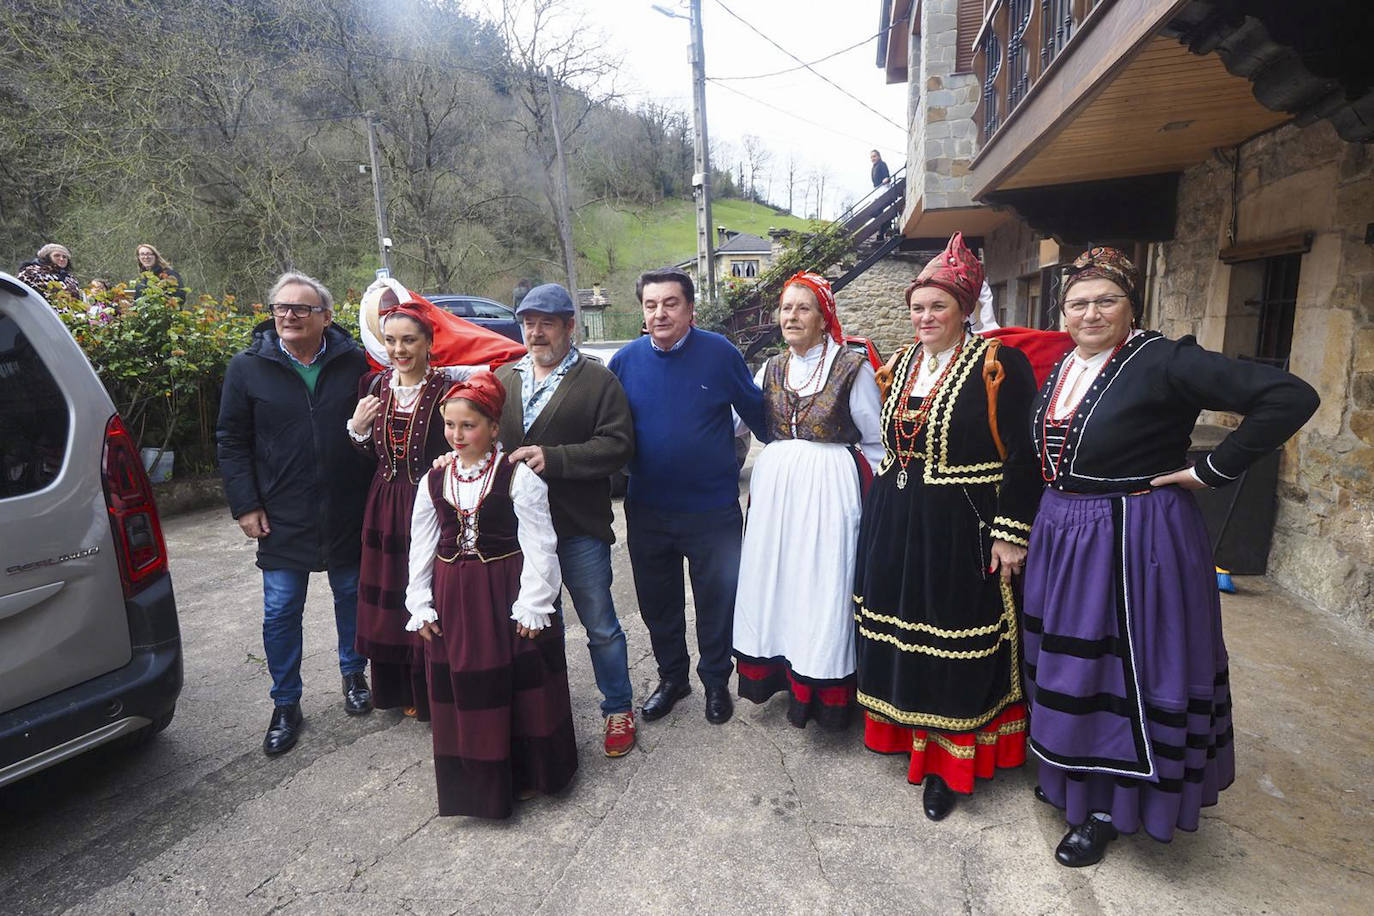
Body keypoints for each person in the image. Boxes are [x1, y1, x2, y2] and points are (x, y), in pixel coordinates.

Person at [1022, 246, 1319, 866]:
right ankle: (1073, 777)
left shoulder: (1164, 359)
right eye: (1078, 302)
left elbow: (1289, 396)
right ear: (1063, 312)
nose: (1090, 312)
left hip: (1134, 537)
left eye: (1107, 300)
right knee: (1071, 664)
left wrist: (1212, 469)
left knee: (1124, 669)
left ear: (1133, 307)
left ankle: (1112, 807)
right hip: (1065, 534)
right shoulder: (1062, 367)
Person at [854, 232, 1041, 821]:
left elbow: (1023, 453)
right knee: (902, 627)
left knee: (955, 636)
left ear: (964, 309)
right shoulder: (904, 362)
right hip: (897, 518)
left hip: (961, 524)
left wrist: (1010, 530)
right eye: (918, 307)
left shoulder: (996, 363)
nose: (926, 316)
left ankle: (949, 763)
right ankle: (910, 735)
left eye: (938, 306)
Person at [217, 271, 375, 757]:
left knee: (352, 595)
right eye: (281, 307)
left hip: (348, 506)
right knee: (281, 610)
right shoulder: (247, 368)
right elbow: (231, 441)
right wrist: (245, 504)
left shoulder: (354, 363)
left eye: (301, 309)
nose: (288, 315)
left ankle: (355, 676)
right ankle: (286, 703)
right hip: (283, 513)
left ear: (325, 316)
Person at [405, 373, 577, 818]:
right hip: (452, 597)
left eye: (468, 426)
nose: (457, 436)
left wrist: (535, 603)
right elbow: (421, 545)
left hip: (503, 591)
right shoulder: (434, 478)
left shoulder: (517, 477)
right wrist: (419, 602)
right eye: (449, 426)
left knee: (516, 682)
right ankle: (476, 782)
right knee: (466, 684)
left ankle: (523, 775)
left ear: (494, 427)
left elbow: (541, 544)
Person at [609, 267, 767, 726]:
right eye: (651, 305)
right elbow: (609, 432)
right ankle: (672, 678)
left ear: (690, 308)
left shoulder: (721, 354)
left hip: (712, 510)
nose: (660, 313)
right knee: (658, 602)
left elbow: (760, 418)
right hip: (648, 509)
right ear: (642, 311)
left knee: (716, 600)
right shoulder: (625, 361)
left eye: (670, 303)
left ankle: (716, 681)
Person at [731, 271, 882, 729]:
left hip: (830, 490)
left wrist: (876, 501)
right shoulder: (770, 368)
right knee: (778, 581)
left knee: (823, 584)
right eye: (786, 308)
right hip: (776, 495)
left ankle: (824, 689)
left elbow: (876, 442)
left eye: (803, 308)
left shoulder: (852, 367)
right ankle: (780, 671)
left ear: (824, 318)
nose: (791, 316)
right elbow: (733, 425)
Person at [493, 283, 638, 757]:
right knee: (529, 623)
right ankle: (540, 712)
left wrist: (552, 458)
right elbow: (481, 437)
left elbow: (618, 446)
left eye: (547, 323)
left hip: (578, 529)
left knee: (600, 625)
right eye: (528, 323)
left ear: (569, 327)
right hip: (517, 534)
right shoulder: (503, 379)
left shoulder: (598, 381)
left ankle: (618, 708)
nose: (535, 333)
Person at [347, 301, 452, 722]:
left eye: (409, 340)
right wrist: (357, 428)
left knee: (428, 591)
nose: (399, 349)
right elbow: (366, 454)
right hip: (385, 503)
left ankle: (430, 690)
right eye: (391, 341)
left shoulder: (446, 390)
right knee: (390, 595)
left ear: (428, 342)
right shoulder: (373, 387)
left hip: (432, 505)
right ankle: (398, 688)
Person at [16, 244, 81, 304]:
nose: (61, 259)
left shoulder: (70, 279)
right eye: (57, 255)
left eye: (64, 257)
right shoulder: (31, 273)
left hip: (68, 316)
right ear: (46, 257)